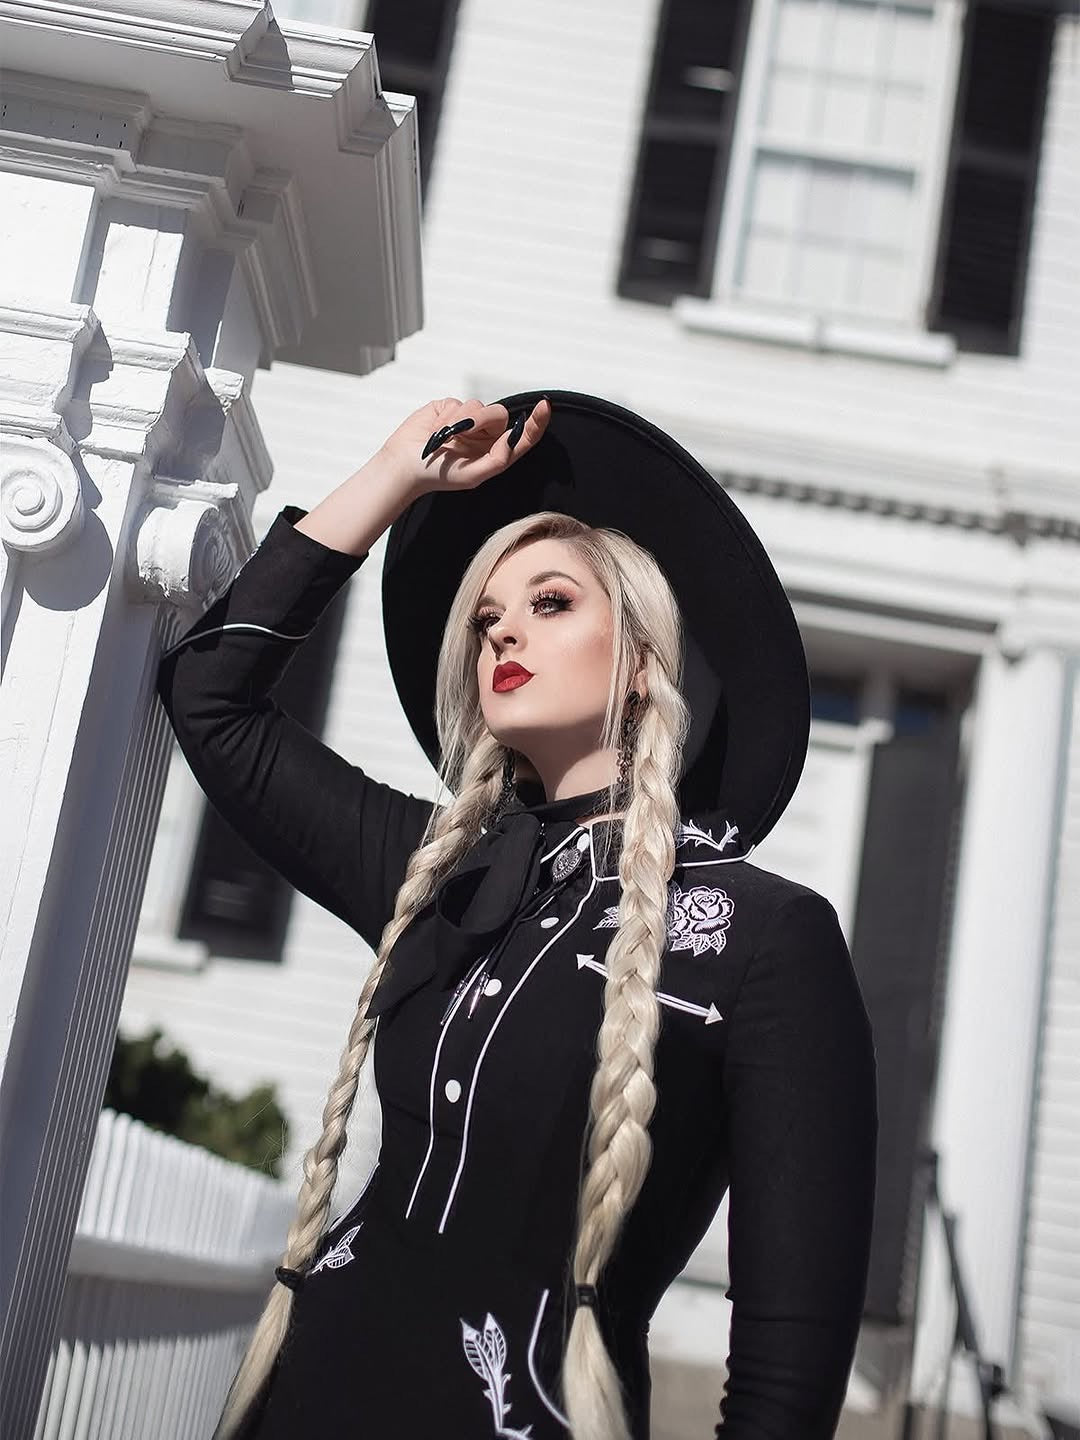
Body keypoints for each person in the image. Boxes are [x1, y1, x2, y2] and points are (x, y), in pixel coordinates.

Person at [155, 391, 879, 1440]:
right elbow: (212, 696)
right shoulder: (435, 869)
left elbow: (787, 1376)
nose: (503, 633)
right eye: (487, 619)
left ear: (641, 662)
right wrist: (398, 476)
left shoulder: (766, 941)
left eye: (549, 604)